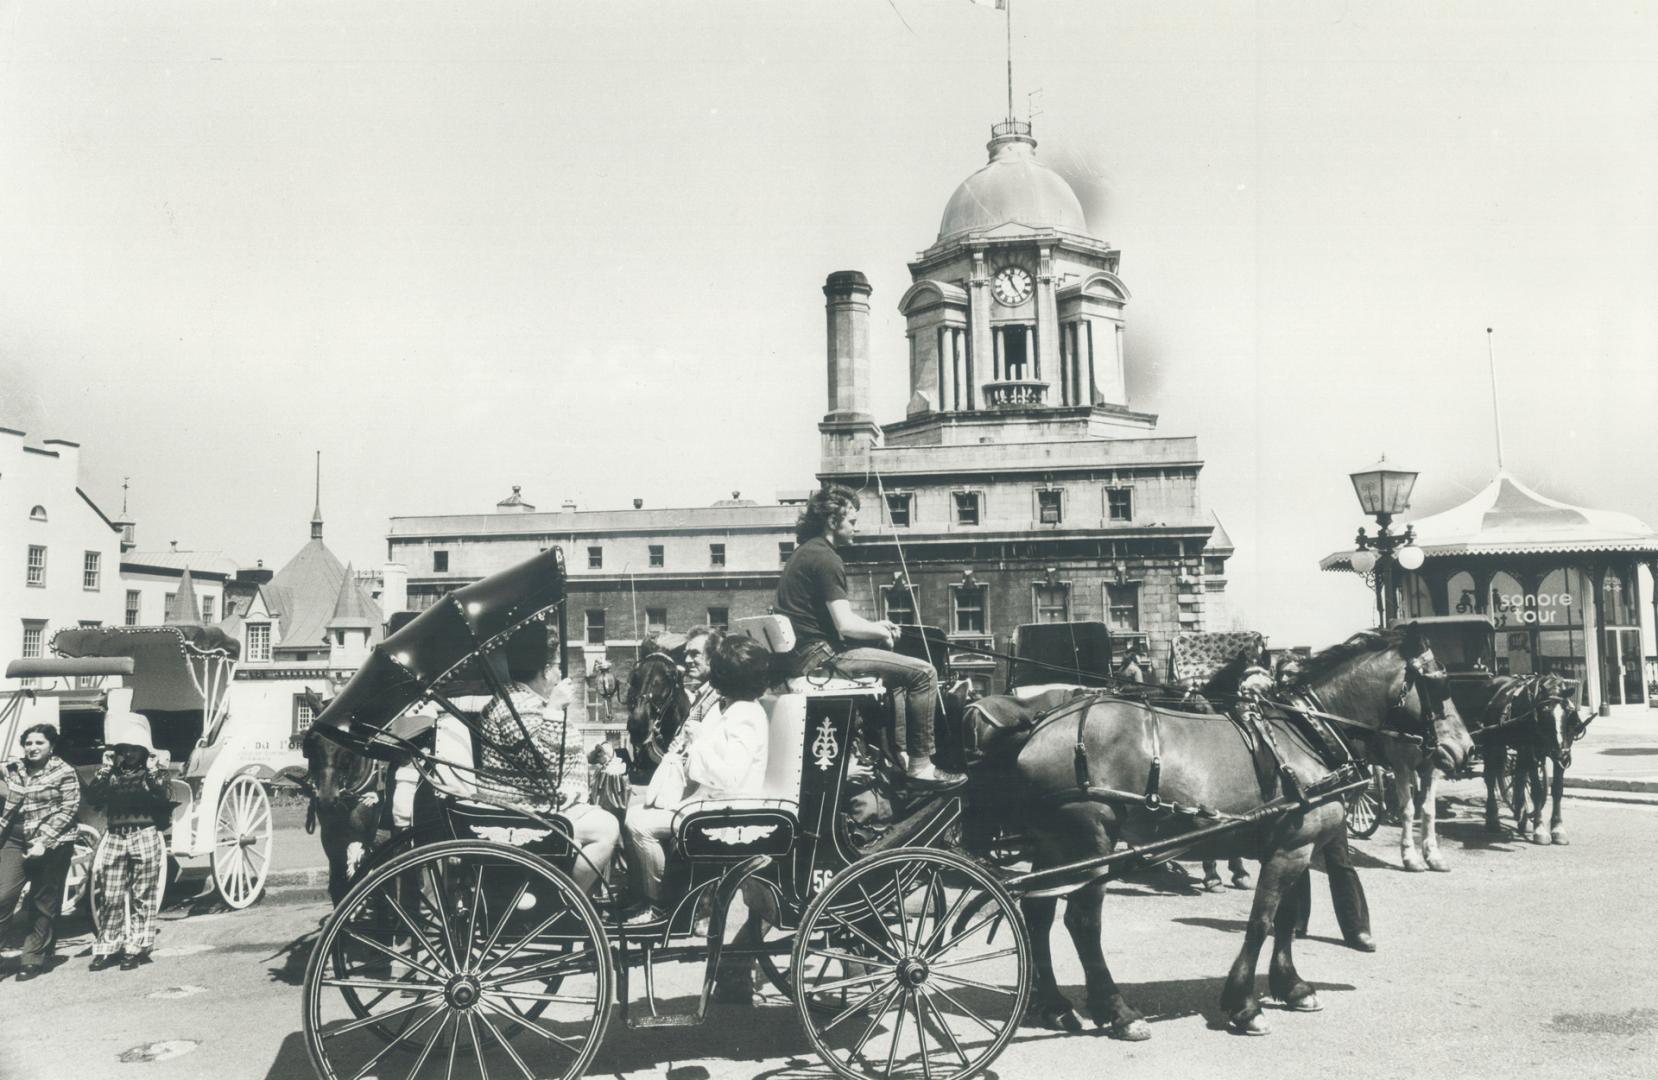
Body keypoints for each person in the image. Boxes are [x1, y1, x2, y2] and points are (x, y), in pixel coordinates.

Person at [774, 485, 964, 789]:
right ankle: (921, 766)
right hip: (821, 659)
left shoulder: (803, 553)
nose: (856, 528)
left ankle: (896, 753)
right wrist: (882, 629)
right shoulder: (826, 558)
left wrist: (876, 628)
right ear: (832, 521)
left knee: (897, 677)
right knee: (924, 673)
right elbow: (845, 625)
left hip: (801, 658)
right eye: (851, 521)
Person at [623, 635, 772, 922]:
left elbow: (730, 776)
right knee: (637, 814)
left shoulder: (745, 715)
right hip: (713, 802)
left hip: (730, 808)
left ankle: (658, 907)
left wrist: (699, 743)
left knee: (639, 825)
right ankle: (655, 899)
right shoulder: (731, 709)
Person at [477, 653, 620, 897]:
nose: (562, 676)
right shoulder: (517, 706)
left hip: (540, 801)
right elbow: (539, 759)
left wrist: (586, 758)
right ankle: (566, 904)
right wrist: (554, 708)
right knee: (606, 828)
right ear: (545, 670)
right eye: (557, 667)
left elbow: (542, 756)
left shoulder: (526, 700)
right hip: (524, 807)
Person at [83, 711, 173, 971]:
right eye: (125, 749)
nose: (130, 754)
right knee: (110, 894)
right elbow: (94, 798)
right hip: (115, 835)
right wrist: (105, 767)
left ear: (144, 752)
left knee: (142, 894)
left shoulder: (152, 775)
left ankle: (137, 946)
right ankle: (107, 946)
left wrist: (156, 768)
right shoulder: (111, 775)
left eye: (135, 749)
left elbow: (163, 797)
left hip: (144, 833)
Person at [0, 724, 82, 981]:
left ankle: (33, 958)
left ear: (51, 746)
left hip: (53, 839)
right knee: (3, 895)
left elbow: (69, 810)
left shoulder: (65, 771)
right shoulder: (13, 769)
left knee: (42, 899)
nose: (33, 748)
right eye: (29, 743)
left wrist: (43, 841)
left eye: (40, 743)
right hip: (14, 835)